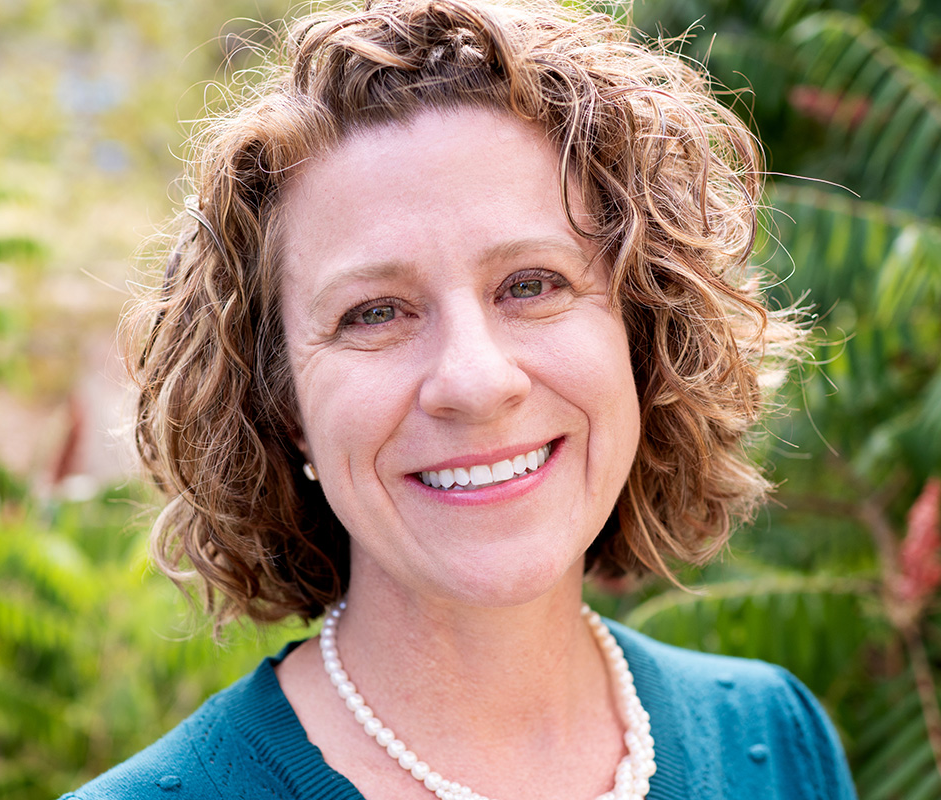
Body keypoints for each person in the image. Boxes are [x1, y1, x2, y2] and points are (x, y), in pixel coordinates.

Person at [61, 0, 857, 797]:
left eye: (532, 285)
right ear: (282, 407)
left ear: (644, 339)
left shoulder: (775, 742)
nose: (475, 382)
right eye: (373, 312)